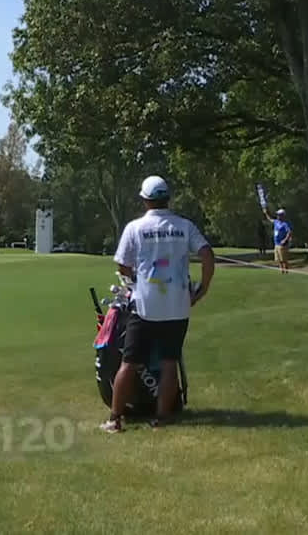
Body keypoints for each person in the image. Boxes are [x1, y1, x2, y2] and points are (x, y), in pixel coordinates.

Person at [101, 175, 215, 432]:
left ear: (144, 200)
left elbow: (122, 264)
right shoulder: (184, 226)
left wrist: (135, 279)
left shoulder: (134, 228)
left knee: (129, 362)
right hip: (177, 305)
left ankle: (115, 419)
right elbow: (207, 255)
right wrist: (202, 289)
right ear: (167, 199)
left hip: (144, 306)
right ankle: (162, 417)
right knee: (169, 362)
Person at [265, 208, 292, 272]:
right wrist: (266, 213)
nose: (278, 216)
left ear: (283, 215)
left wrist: (285, 240)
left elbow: (289, 232)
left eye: (279, 215)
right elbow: (269, 219)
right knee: (279, 259)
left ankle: (286, 271)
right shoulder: (276, 222)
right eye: (277, 215)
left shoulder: (285, 224)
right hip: (276, 243)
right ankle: (281, 270)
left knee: (284, 259)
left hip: (282, 245)